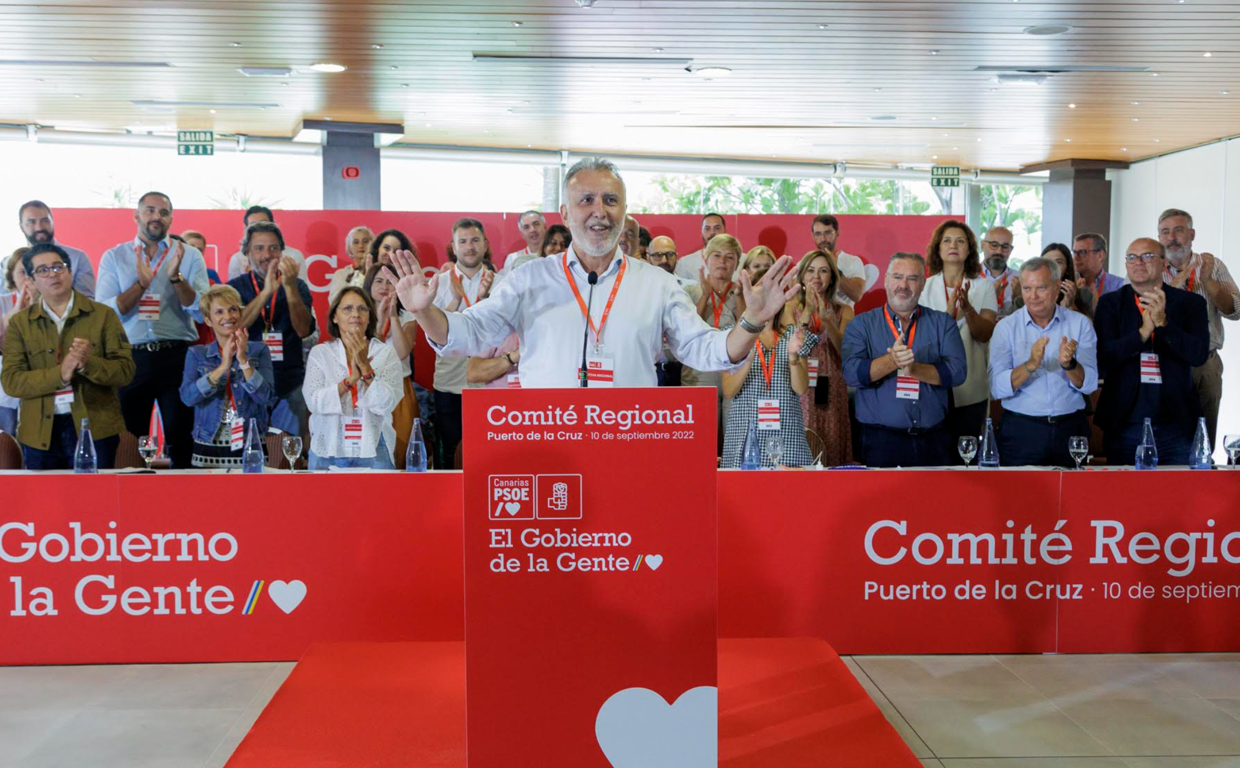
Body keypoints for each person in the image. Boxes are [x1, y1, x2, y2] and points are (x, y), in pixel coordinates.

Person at [389, 157, 799, 389]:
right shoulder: (528, 279)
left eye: (610, 200)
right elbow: (470, 333)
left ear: (624, 212)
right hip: (549, 446)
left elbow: (703, 348)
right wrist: (425, 312)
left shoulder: (657, 284)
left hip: (630, 442)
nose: (599, 211)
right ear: (565, 214)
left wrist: (751, 321)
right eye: (586, 200)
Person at [96, 191, 209, 469]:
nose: (156, 217)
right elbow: (106, 314)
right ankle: (127, 507)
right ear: (136, 215)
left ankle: (186, 505)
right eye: (149, 210)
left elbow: (200, 311)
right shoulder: (115, 256)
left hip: (177, 357)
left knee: (181, 436)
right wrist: (140, 286)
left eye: (163, 212)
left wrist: (176, 278)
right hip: (130, 358)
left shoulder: (189, 255)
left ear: (171, 218)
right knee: (127, 441)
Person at [1, 244, 134, 469]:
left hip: (95, 428)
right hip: (39, 433)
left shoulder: (103, 316)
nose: (53, 274)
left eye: (58, 267)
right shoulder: (19, 323)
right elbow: (12, 382)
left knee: (94, 501)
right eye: (43, 270)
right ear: (31, 281)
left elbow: (125, 372)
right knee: (46, 502)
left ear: (70, 272)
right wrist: (60, 374)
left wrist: (87, 364)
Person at [843, 252, 967, 468]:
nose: (903, 285)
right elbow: (852, 374)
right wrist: (892, 361)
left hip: (934, 440)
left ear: (923, 284)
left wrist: (915, 369)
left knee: (935, 502)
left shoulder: (942, 323)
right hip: (880, 442)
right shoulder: (861, 324)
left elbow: (957, 372)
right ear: (886, 280)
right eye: (897, 277)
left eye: (912, 278)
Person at [1094, 238, 1210, 465]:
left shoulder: (1190, 303)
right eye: (1131, 257)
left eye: (1147, 256)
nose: (1138, 262)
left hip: (1176, 423)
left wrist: (1164, 324)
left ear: (1164, 263)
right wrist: (1142, 333)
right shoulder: (1110, 303)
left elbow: (1198, 355)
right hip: (1125, 422)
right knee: (1125, 495)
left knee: (1178, 494)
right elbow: (1104, 357)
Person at [988, 258, 1098, 467]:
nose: (1033, 296)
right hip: (1022, 430)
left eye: (1041, 287)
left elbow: (1090, 384)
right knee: (1020, 497)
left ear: (1057, 287)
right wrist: (1030, 364)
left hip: (1070, 429)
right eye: (1027, 288)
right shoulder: (1006, 327)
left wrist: (1069, 365)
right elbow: (997, 388)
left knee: (1074, 496)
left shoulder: (1079, 323)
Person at [1158, 208, 1240, 449]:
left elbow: (1235, 310)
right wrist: (1179, 280)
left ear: (1192, 234)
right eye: (1165, 232)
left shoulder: (1212, 265)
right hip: (1167, 361)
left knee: (1204, 436)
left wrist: (1208, 282)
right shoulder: (1151, 268)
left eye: (1178, 231)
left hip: (1205, 362)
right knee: (1169, 433)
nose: (1171, 237)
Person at [721, 269, 818, 468]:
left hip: (787, 437)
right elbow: (729, 390)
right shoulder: (733, 336)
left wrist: (793, 358)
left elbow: (801, 389)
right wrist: (747, 357)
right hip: (744, 438)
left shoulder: (794, 335)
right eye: (761, 291)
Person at [226, 221, 315, 437]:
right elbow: (233, 329)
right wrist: (265, 293)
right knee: (248, 452)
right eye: (259, 248)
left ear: (282, 252)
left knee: (288, 454)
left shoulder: (298, 285)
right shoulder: (235, 287)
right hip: (248, 382)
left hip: (289, 383)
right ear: (247, 253)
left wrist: (290, 287)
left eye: (273, 248)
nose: (267, 254)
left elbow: (304, 331)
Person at [919, 220, 999, 457]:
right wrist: (948, 316)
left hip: (971, 386)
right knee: (936, 455)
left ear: (969, 250)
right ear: (938, 249)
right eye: (947, 240)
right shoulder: (924, 287)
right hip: (932, 385)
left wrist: (968, 309)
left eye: (960, 241)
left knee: (968, 455)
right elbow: (921, 336)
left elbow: (984, 334)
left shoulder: (983, 286)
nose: (953, 245)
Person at [304, 287, 403, 469]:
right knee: (323, 499)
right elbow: (314, 402)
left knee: (380, 498)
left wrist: (365, 369)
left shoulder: (385, 353)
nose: (355, 314)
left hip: (374, 443)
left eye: (362, 309)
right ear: (335, 317)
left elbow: (387, 404)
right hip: (328, 444)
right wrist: (350, 381)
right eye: (347, 309)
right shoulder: (321, 353)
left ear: (369, 317)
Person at [179, 285, 275, 468]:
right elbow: (188, 397)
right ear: (208, 320)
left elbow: (266, 397)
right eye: (219, 312)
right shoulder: (196, 354)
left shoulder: (259, 350)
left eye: (233, 310)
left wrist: (243, 361)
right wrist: (223, 366)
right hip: (208, 442)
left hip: (250, 440)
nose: (228, 316)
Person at [430, 218, 501, 460]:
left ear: (485, 244)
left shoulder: (501, 284)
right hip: (449, 381)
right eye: (463, 241)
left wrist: (486, 299)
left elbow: (505, 333)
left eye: (474, 240)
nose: (469, 247)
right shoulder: (437, 284)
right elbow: (433, 333)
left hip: (489, 381)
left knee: (489, 451)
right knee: (450, 452)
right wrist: (455, 301)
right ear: (454, 246)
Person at [796, 249, 854, 465]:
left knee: (831, 445)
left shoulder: (844, 310)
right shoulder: (790, 307)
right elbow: (792, 347)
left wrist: (828, 321)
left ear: (831, 278)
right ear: (802, 275)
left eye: (823, 271)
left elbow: (845, 352)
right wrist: (807, 312)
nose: (816, 277)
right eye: (810, 270)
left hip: (832, 387)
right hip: (800, 386)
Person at [684, 234, 743, 443]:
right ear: (706, 259)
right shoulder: (691, 289)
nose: (723, 262)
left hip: (733, 371)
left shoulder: (741, 291)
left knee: (733, 437)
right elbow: (686, 330)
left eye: (729, 257)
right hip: (699, 372)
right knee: (701, 438)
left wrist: (739, 297)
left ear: (737, 262)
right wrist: (704, 297)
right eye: (717, 255)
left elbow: (748, 330)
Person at [364, 264, 421, 467]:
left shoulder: (408, 315)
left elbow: (402, 352)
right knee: (374, 449)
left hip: (400, 388)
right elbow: (369, 354)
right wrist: (378, 321)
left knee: (402, 448)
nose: (384, 286)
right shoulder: (360, 316)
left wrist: (393, 318)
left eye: (390, 282)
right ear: (368, 285)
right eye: (378, 281)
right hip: (368, 388)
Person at [18, 201, 96, 298]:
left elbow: (88, 302)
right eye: (31, 222)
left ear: (52, 222)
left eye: (45, 220)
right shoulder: (10, 264)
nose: (39, 227)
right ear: (21, 227)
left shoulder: (77, 258)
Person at [0, 247, 34, 433]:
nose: (29, 277)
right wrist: (17, 309)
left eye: (34, 270)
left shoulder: (53, 304)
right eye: (22, 271)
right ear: (12, 276)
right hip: (6, 395)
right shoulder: (2, 302)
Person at [225, 206, 306, 281]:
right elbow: (233, 295)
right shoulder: (237, 259)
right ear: (246, 229)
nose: (259, 227)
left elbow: (302, 292)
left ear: (273, 224)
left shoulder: (294, 255)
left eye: (263, 222)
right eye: (253, 224)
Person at [1014, 243, 1095, 318]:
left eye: (1059, 262)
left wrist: (1070, 307)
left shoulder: (1084, 295)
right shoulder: (1024, 299)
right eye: (1047, 262)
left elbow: (1088, 328)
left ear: (1067, 267)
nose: (1052, 266)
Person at [811, 214, 866, 306]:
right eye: (818, 234)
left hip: (845, 318)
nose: (823, 238)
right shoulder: (804, 263)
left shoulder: (853, 261)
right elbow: (797, 296)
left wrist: (834, 269)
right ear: (813, 236)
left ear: (837, 233)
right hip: (813, 318)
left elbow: (857, 295)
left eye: (828, 233)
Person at [1073, 233, 1124, 312]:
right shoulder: (1068, 284)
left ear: (1100, 255)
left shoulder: (1120, 286)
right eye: (1074, 252)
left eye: (1082, 252)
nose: (1075, 257)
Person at [327, 225, 375, 304]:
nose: (361, 246)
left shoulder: (380, 272)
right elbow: (334, 301)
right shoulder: (341, 274)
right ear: (349, 247)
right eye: (355, 242)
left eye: (366, 241)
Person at [674, 213, 728, 281]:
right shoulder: (685, 263)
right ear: (701, 233)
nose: (712, 232)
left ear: (725, 231)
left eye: (717, 228)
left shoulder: (742, 260)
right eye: (707, 229)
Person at [981, 225, 1018, 319]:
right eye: (994, 245)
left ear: (1011, 250)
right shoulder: (969, 276)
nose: (999, 251)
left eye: (1005, 246)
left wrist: (1019, 299)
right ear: (983, 245)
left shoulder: (1020, 279)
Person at [500, 211, 546, 275]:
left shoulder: (555, 255)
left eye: (536, 224)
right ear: (522, 234)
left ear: (545, 227)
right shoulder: (513, 258)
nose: (532, 229)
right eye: (526, 227)